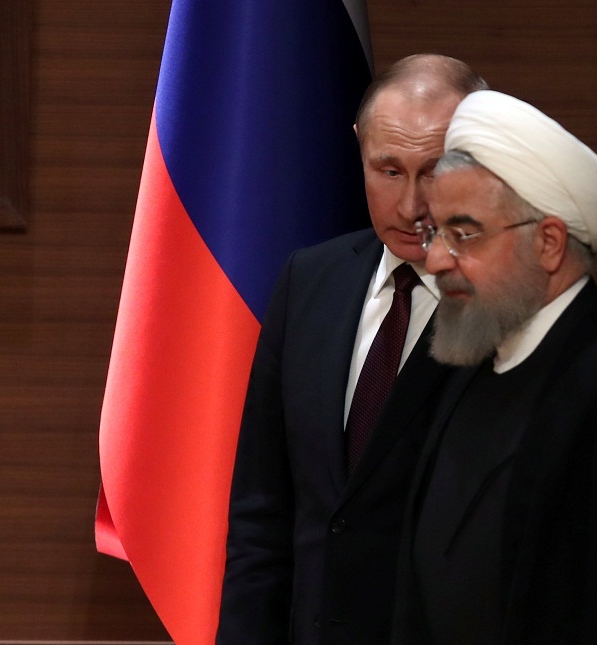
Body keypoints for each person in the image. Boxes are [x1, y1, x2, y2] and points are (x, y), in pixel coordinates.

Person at [391, 90, 597, 643]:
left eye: (464, 234)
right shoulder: (474, 354)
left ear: (549, 243)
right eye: (435, 232)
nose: (434, 259)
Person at [217, 55, 488, 644]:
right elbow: (262, 513)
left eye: (435, 171)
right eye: (388, 170)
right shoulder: (310, 280)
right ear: (360, 147)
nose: (411, 206)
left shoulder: (508, 306)